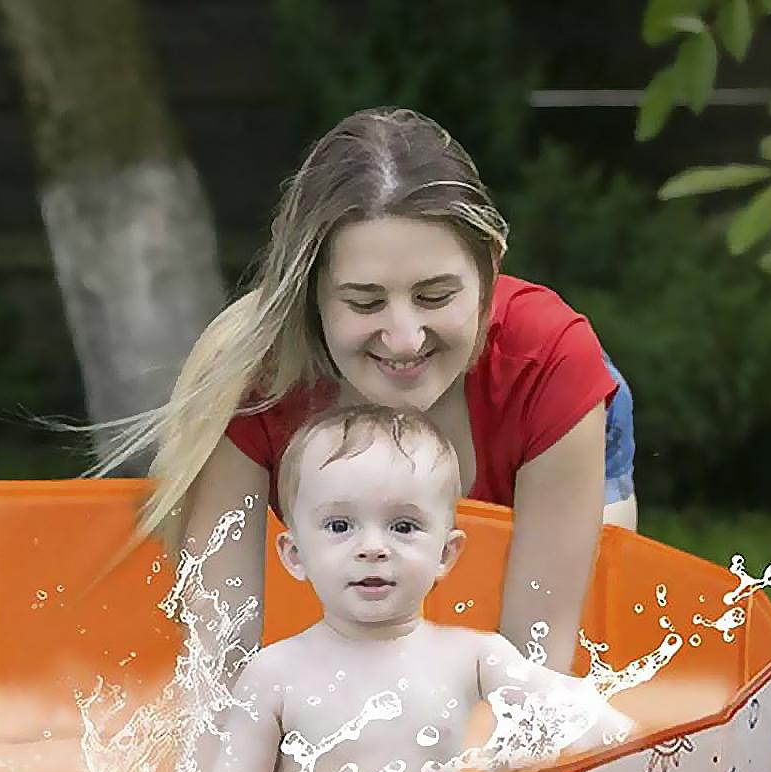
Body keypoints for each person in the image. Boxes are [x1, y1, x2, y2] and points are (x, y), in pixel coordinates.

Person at [98, 106, 636, 684]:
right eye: (364, 302)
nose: (404, 340)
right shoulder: (255, 378)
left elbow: (538, 669)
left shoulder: (548, 361)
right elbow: (217, 673)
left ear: (491, 268)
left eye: (434, 297)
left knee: (584, 662)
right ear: (313, 295)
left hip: (555, 417)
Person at [204, 401, 632, 772]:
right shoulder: (274, 673)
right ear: (295, 555)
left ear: (445, 554)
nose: (372, 547)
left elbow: (584, 719)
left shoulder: (476, 658)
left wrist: (638, 747)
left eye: (404, 526)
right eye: (339, 525)